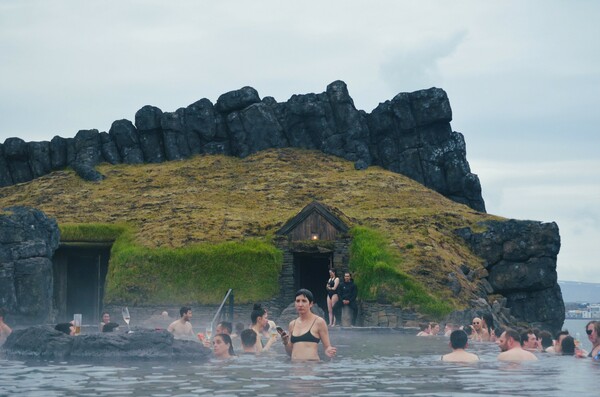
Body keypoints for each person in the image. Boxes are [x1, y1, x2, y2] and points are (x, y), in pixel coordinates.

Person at [280, 288, 336, 361]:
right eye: (298, 301)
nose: (300, 304)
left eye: (304, 301)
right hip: (294, 368)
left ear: (311, 304)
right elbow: (290, 353)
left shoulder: (319, 322)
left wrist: (329, 350)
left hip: (311, 367)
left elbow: (327, 346)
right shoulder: (292, 324)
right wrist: (285, 342)